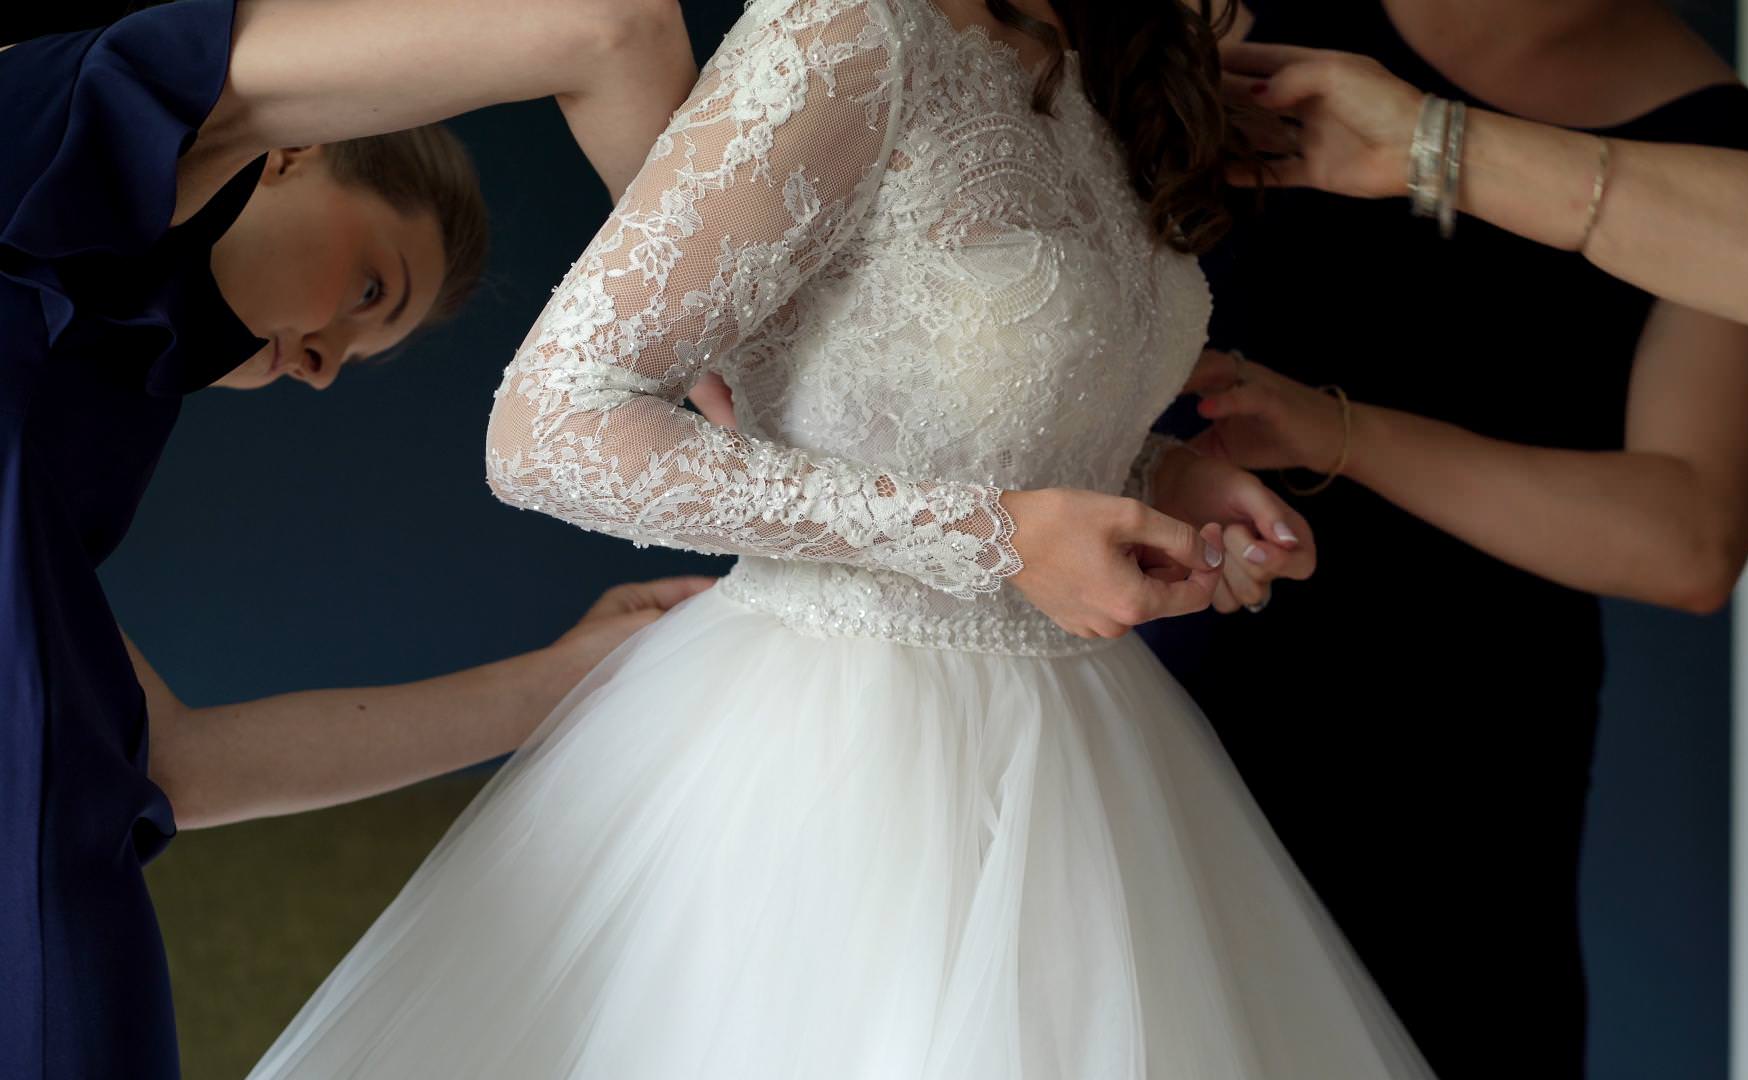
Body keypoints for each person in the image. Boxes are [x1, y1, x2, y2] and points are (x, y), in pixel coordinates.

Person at [244, 0, 1436, 1075]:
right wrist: (994, 537)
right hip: (833, 758)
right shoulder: (850, 34)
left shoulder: (1098, 56)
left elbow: (994, 416)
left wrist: (1165, 477)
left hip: (1086, 765)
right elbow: (549, 427)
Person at [0, 1, 705, 1076]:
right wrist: (716, 341)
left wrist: (570, 679)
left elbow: (174, 765)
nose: (325, 366)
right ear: (294, 152)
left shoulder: (71, 420)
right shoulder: (47, 128)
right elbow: (611, 28)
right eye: (372, 288)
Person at [1135, 4, 1748, 1073]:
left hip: (1467, 744)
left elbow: (1691, 538)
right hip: (1167, 655)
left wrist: (1338, 430)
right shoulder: (1237, 22)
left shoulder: (1719, 144)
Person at [1223, 31, 1748, 727]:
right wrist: (1425, 142)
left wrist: (1338, 431)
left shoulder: (1721, 130)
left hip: (1472, 680)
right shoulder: (1235, 39)